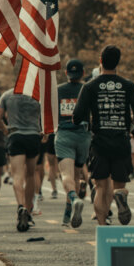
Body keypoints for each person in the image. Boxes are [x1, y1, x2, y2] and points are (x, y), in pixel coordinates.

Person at [73, 45, 134, 227]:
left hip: (99, 142)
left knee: (101, 187)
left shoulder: (90, 86)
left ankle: (103, 225)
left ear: (100, 61)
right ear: (118, 62)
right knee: (119, 184)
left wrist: (86, 119)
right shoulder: (128, 85)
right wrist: (133, 121)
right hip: (121, 140)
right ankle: (121, 195)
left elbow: (78, 115)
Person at [0, 77, 44, 232]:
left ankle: (20, 206)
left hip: (16, 136)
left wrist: (5, 129)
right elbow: (47, 117)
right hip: (33, 136)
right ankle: (28, 212)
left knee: (17, 175)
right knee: (30, 175)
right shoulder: (37, 96)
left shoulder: (7, 95)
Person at [54, 59, 91, 228]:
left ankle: (74, 199)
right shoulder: (87, 89)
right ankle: (67, 213)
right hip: (83, 135)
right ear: (83, 73)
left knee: (66, 174)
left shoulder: (58, 90)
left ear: (66, 73)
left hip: (64, 134)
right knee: (77, 175)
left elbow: (47, 111)